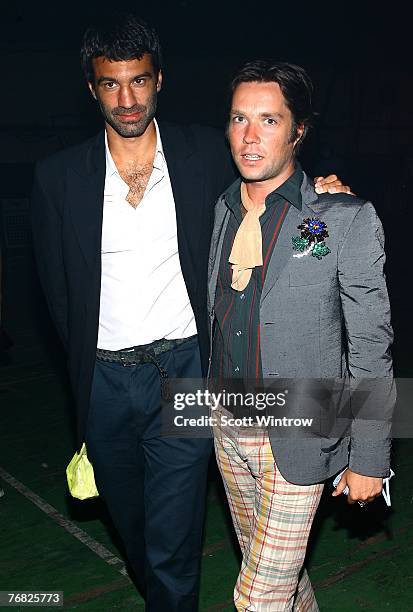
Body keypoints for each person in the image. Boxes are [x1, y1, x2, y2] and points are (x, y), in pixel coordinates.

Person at [30, 13, 350, 611]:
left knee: (174, 539)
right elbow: (59, 296)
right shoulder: (57, 179)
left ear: (160, 80)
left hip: (185, 374)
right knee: (134, 529)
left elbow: (273, 172)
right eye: (110, 84)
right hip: (103, 382)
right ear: (91, 88)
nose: (127, 99)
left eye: (139, 81)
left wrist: (325, 198)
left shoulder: (204, 153)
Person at [208, 60, 394, 611]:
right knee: (282, 581)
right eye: (239, 118)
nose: (249, 136)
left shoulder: (341, 217)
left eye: (269, 120)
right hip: (228, 428)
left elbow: (370, 342)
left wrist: (369, 456)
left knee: (257, 597)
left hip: (303, 430)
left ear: (298, 130)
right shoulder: (218, 209)